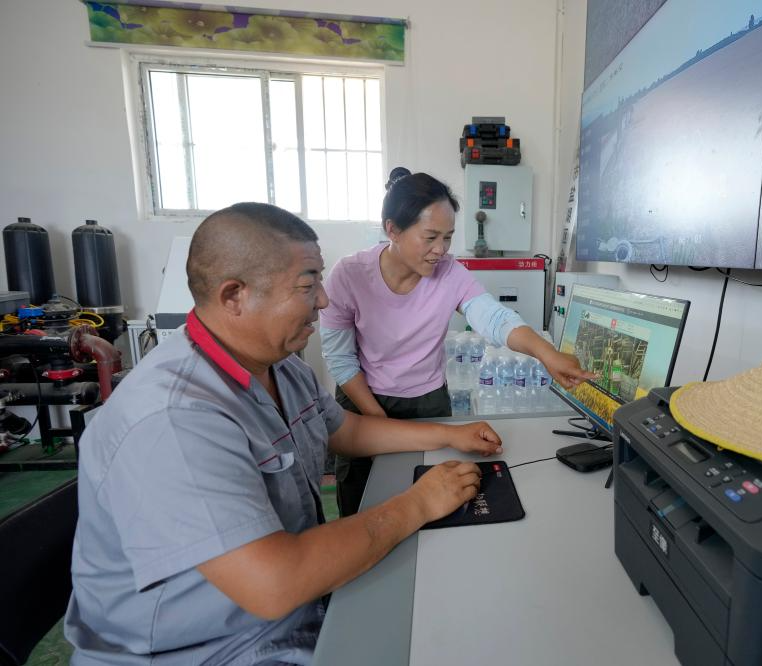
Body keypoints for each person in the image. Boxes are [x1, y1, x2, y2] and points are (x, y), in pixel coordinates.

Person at [64, 203, 503, 665]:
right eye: (307, 285)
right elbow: (274, 584)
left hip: (292, 613)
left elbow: (345, 429)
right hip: (213, 649)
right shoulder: (174, 419)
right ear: (235, 295)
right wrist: (419, 503)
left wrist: (447, 435)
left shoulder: (280, 368)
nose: (323, 300)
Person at [320, 167, 595, 516]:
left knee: (437, 499)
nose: (440, 250)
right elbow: (340, 359)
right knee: (362, 501)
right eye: (430, 237)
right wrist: (379, 421)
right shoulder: (349, 275)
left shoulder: (449, 273)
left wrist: (547, 354)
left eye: (448, 237)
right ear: (393, 230)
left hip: (426, 400)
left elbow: (494, 318)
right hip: (362, 399)